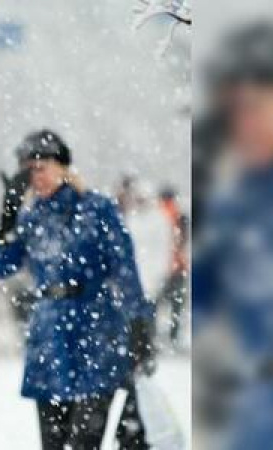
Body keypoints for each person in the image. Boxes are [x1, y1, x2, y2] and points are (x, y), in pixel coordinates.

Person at [0, 130, 156, 450]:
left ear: (62, 166)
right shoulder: (29, 217)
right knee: (53, 443)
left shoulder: (97, 208)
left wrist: (138, 323)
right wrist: (6, 220)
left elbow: (124, 268)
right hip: (49, 337)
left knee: (84, 441)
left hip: (96, 332)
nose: (34, 176)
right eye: (27, 170)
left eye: (41, 167)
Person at [194, 22, 273, 450]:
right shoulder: (234, 204)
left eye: (254, 106)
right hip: (253, 410)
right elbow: (203, 294)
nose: (242, 123)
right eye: (234, 112)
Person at [155, 186, 189, 347]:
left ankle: (152, 336)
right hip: (177, 267)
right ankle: (173, 337)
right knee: (176, 306)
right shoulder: (180, 216)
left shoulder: (158, 215)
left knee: (156, 303)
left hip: (162, 268)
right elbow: (184, 242)